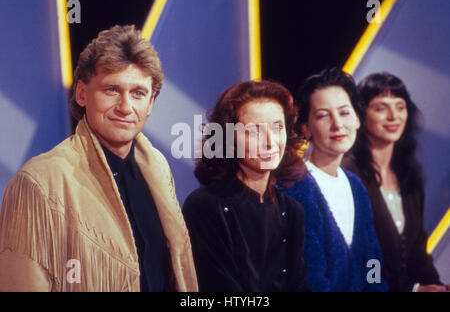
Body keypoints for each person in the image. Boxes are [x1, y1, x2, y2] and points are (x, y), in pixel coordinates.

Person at [0, 25, 197, 292]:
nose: (126, 107)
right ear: (82, 94)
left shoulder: (158, 169)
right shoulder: (39, 181)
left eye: (138, 93)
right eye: (111, 90)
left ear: (150, 103)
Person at [182, 80, 310, 292]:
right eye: (255, 132)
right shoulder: (205, 207)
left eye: (277, 128)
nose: (270, 142)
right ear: (228, 138)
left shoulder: (291, 210)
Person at [285, 68, 387, 292]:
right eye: (323, 115)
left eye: (344, 112)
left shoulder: (355, 185)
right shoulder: (294, 186)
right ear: (305, 127)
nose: (338, 125)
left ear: (358, 119)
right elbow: (311, 278)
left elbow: (373, 260)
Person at [343, 72, 447, 292]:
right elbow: (359, 260)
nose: (393, 116)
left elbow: (418, 254)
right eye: (381, 108)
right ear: (361, 115)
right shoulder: (347, 174)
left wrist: (438, 287)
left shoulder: (410, 175)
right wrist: (414, 289)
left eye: (400, 106)